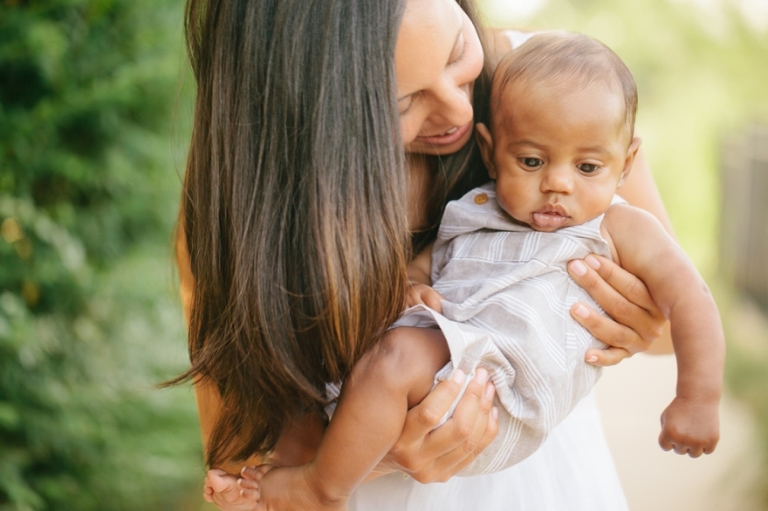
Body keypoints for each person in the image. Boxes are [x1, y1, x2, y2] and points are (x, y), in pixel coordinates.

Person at [175, 0, 676, 509]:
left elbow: (673, 331)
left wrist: (634, 315)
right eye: (400, 104)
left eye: (457, 50)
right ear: (302, 110)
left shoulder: (554, 88)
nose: (460, 111)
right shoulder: (247, 215)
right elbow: (244, 473)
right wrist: (381, 455)